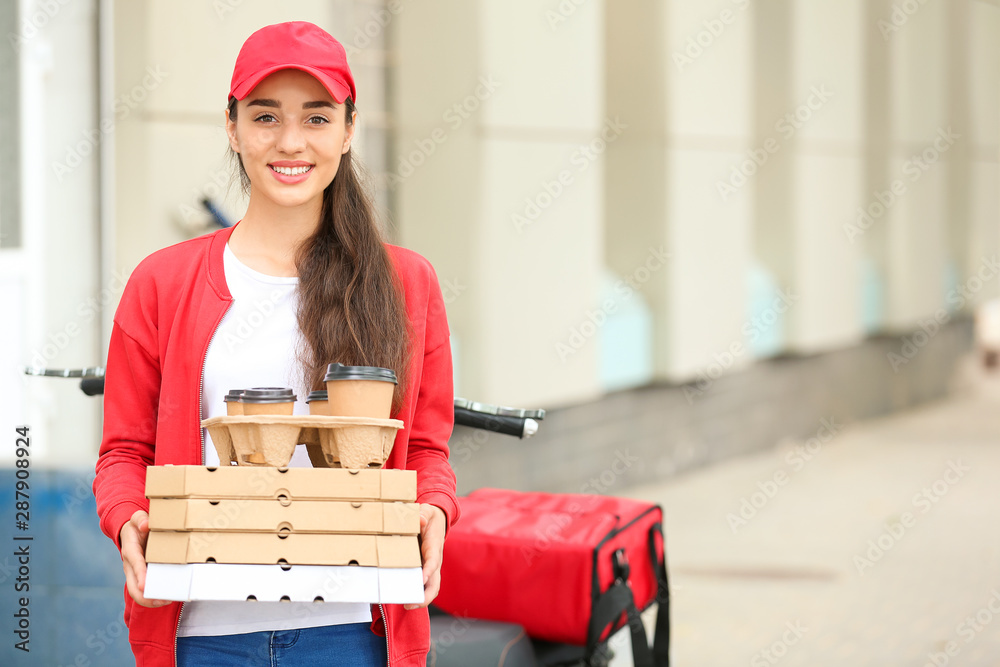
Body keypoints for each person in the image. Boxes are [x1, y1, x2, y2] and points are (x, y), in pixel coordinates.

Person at [92, 21, 460, 667]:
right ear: (232, 127)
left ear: (348, 130)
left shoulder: (406, 284)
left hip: (354, 633)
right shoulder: (162, 283)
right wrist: (128, 518)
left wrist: (434, 508)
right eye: (266, 116)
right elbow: (124, 450)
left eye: (316, 118)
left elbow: (426, 448)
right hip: (204, 633)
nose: (291, 141)